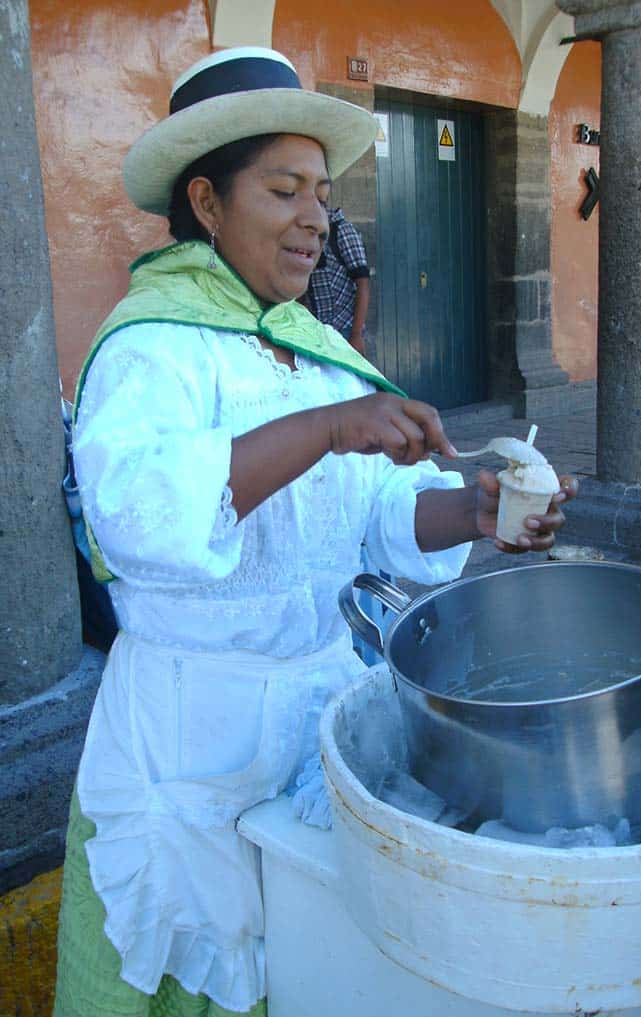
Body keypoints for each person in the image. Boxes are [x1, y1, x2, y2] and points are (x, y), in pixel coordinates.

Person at [53, 47, 578, 1017]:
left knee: (311, 974)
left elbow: (373, 514)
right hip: (191, 753)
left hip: (316, 739)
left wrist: (471, 511)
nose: (316, 221)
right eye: (284, 190)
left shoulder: (319, 350)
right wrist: (327, 429)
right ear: (206, 203)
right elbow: (141, 520)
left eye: (324, 196)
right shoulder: (149, 347)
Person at [307, 206, 370, 354]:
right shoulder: (307, 233)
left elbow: (363, 284)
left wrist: (356, 335)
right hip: (318, 333)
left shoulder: (341, 231)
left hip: (345, 331)